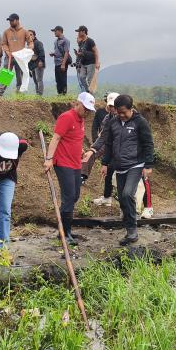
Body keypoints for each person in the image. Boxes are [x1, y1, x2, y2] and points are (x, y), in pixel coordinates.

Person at [98, 94, 154, 245]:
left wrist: (148, 165)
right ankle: (129, 222)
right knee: (122, 198)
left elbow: (148, 143)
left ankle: (132, 231)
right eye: (118, 112)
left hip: (135, 165)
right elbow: (109, 144)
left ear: (131, 109)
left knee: (128, 193)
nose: (121, 115)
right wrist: (105, 163)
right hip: (119, 166)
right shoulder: (113, 122)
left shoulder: (140, 122)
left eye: (124, 112)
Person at [42, 92, 96, 246]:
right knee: (69, 196)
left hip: (75, 163)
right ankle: (65, 233)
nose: (86, 112)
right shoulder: (67, 117)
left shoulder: (81, 120)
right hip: (63, 162)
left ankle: (65, 229)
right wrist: (48, 159)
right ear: (76, 103)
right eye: (84, 108)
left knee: (75, 195)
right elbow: (56, 138)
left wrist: (81, 151)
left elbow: (74, 138)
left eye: (89, 110)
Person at [84, 92, 119, 204]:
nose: (112, 108)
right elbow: (102, 135)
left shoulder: (130, 117)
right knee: (106, 167)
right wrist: (93, 148)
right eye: (110, 106)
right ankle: (107, 196)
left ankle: (146, 207)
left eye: (114, 106)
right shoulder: (108, 117)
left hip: (124, 150)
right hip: (108, 145)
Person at [0, 13, 32, 93]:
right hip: (9, 57)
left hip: (20, 58)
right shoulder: (6, 32)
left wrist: (27, 51)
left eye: (12, 20)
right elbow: (3, 43)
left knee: (19, 77)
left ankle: (19, 94)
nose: (10, 22)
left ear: (17, 20)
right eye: (9, 21)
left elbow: (30, 43)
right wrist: (8, 52)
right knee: (5, 75)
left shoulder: (25, 31)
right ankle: (0, 93)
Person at [74, 26, 99, 94]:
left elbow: (96, 51)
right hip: (83, 63)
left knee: (90, 80)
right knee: (82, 77)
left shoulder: (90, 41)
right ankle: (88, 91)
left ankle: (91, 96)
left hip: (91, 62)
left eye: (79, 32)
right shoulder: (81, 42)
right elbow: (82, 52)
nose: (78, 33)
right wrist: (78, 54)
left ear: (83, 32)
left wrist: (97, 63)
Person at [49, 26, 72, 95]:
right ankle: (59, 93)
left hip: (62, 63)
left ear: (59, 31)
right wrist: (54, 54)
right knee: (58, 79)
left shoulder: (66, 41)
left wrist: (63, 64)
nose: (54, 33)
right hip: (56, 62)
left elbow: (66, 52)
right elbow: (58, 51)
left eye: (55, 31)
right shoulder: (55, 41)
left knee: (63, 79)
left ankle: (64, 94)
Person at [27, 30, 45, 96]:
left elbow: (42, 52)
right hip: (32, 65)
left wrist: (40, 61)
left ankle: (40, 95)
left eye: (31, 34)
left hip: (38, 64)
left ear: (34, 35)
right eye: (28, 35)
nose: (30, 36)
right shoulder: (29, 45)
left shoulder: (38, 43)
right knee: (35, 80)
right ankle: (37, 94)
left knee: (39, 79)